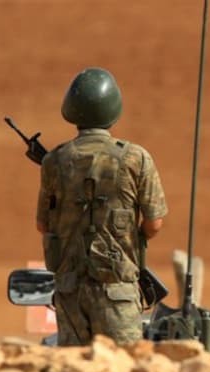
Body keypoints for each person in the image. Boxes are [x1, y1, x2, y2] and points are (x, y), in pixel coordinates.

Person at [36, 67, 168, 345]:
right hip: (118, 292)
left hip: (70, 293)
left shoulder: (54, 162)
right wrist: (134, 239)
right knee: (123, 371)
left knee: (74, 371)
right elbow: (155, 223)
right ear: (113, 109)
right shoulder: (136, 158)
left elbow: (43, 225)